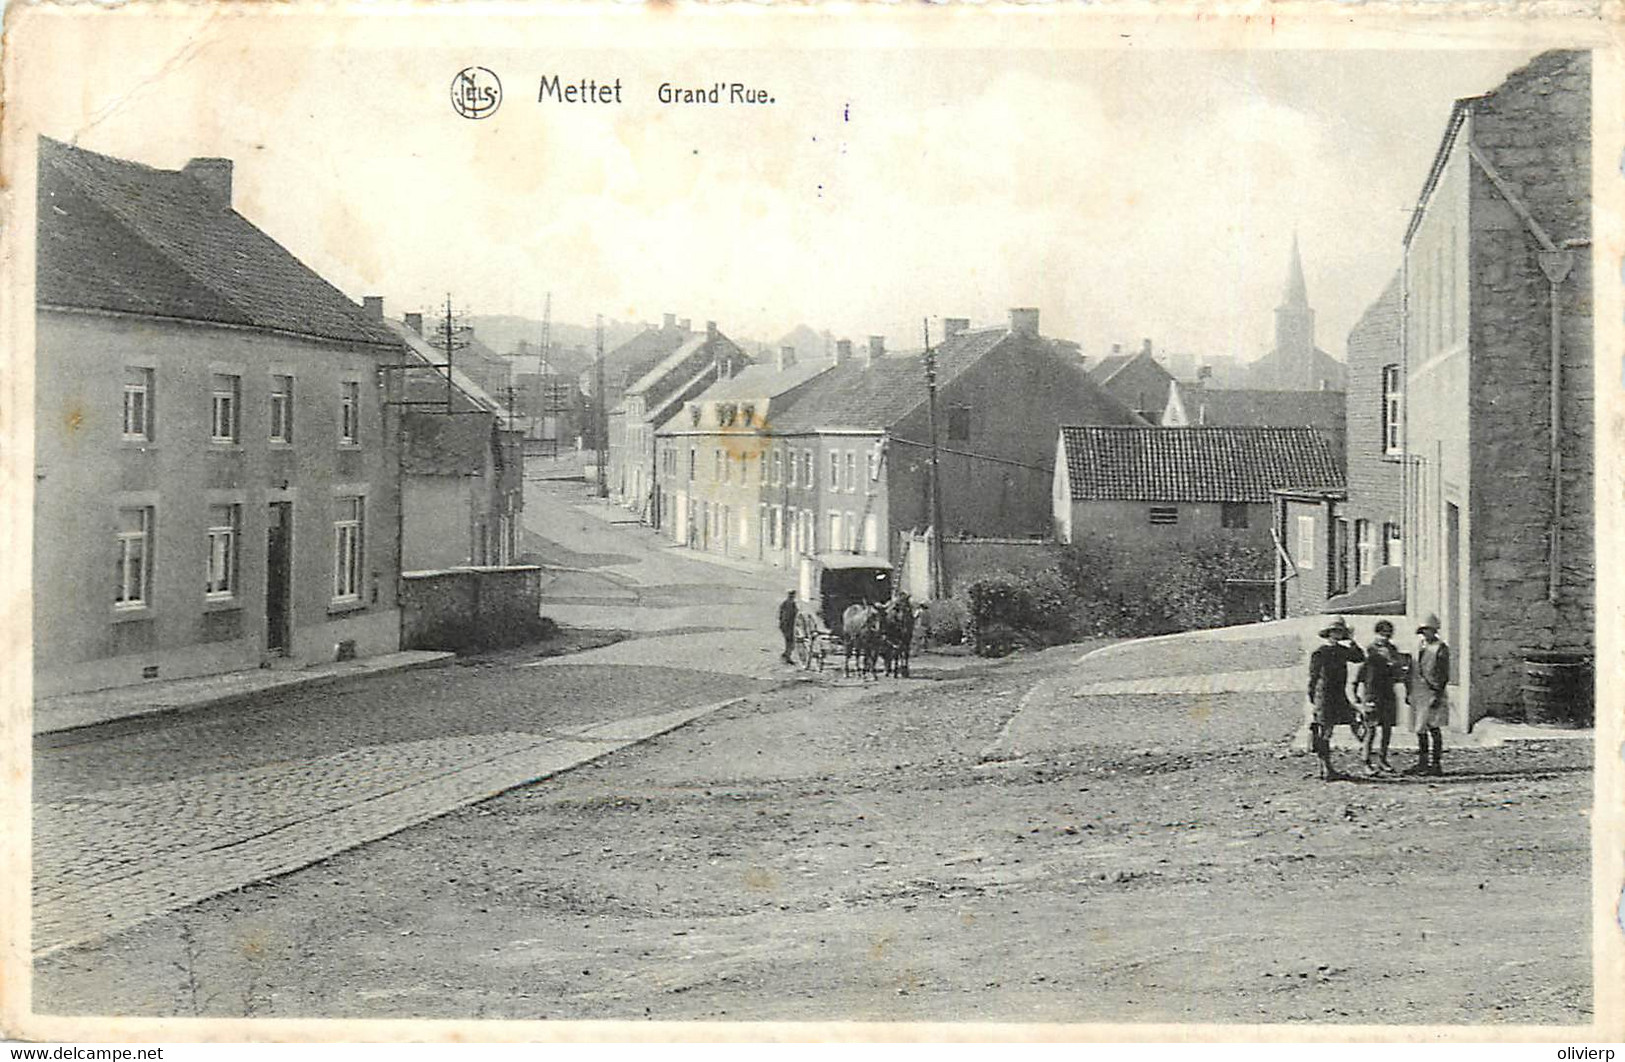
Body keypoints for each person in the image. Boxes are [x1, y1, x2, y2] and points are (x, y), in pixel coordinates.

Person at [1308, 617, 1365, 782]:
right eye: (1334, 631)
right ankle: (1325, 767)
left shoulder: (1342, 650)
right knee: (1324, 731)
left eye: (1340, 631)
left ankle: (1327, 767)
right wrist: (1313, 696)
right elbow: (1313, 677)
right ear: (1328, 633)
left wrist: (1352, 640)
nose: (1337, 634)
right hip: (1324, 695)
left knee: (1348, 723)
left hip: (1339, 695)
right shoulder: (1320, 652)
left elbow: (1359, 657)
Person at [1353, 620, 1408, 774]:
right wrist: (1356, 692)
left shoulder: (1392, 649)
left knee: (1387, 728)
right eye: (1382, 633)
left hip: (1388, 693)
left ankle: (1383, 759)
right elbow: (1361, 673)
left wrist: (1398, 667)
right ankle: (1366, 761)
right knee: (1371, 729)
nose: (1385, 636)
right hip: (1373, 693)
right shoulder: (1371, 650)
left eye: (1388, 633)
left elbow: (1397, 671)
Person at [1405, 614, 1451, 776]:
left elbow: (1444, 674)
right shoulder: (1418, 646)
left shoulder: (1440, 648)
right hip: (1418, 691)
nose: (1426, 634)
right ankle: (1422, 762)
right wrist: (1408, 691)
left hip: (1433, 690)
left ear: (1434, 631)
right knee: (1420, 728)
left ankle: (1436, 764)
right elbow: (1411, 669)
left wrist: (1438, 694)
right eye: (1423, 631)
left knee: (1433, 727)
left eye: (1429, 630)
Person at [777, 589, 799, 664]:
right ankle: (787, 656)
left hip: (791, 625)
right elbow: (783, 615)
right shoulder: (787, 604)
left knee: (790, 643)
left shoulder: (791, 604)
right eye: (791, 595)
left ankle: (786, 655)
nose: (792, 597)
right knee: (790, 642)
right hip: (787, 625)